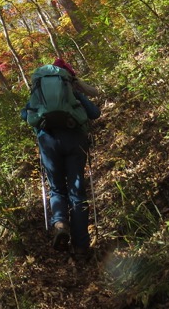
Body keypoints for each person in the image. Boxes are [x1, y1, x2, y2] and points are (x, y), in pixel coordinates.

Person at [22, 58, 101, 259]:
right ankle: (82, 246)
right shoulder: (73, 94)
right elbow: (95, 113)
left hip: (48, 141)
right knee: (77, 192)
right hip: (75, 140)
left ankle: (60, 224)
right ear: (67, 79)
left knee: (57, 188)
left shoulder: (38, 95)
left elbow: (25, 115)